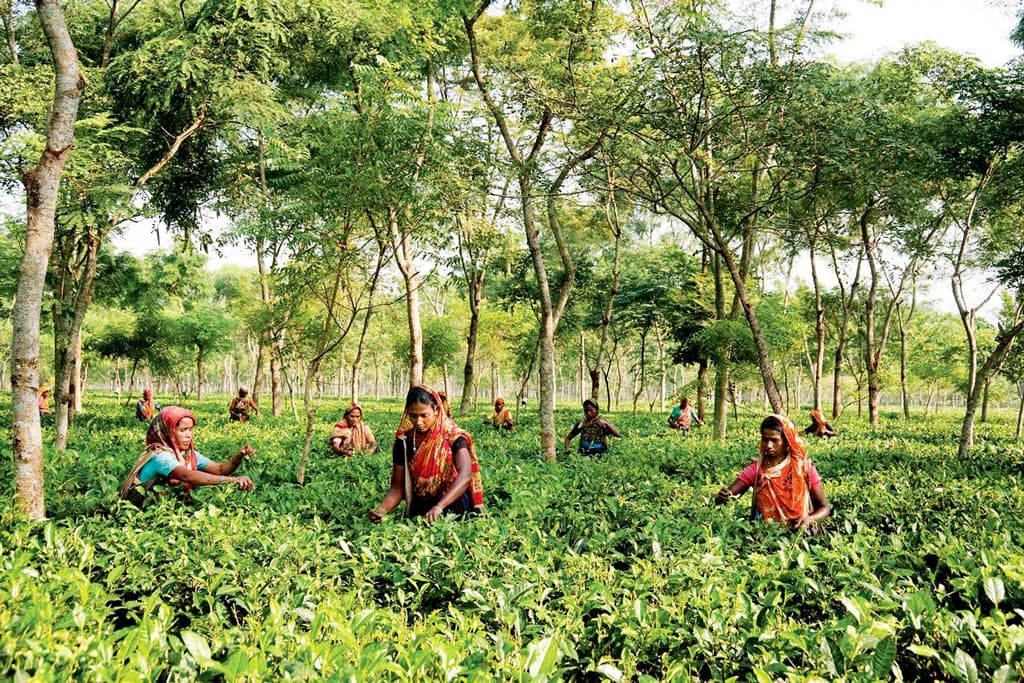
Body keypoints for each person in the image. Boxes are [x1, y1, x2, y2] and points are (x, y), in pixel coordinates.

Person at [370, 385, 484, 524]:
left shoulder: (453, 437)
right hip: (421, 508)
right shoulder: (404, 441)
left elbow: (465, 475)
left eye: (424, 415)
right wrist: (381, 510)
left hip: (454, 504)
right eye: (413, 415)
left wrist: (439, 506)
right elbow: (397, 488)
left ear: (436, 410)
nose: (418, 422)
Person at [119, 406, 255, 507]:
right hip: (143, 513)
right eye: (182, 430)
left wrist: (239, 456)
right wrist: (233, 480)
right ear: (168, 431)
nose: (188, 435)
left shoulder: (188, 455)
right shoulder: (160, 457)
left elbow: (220, 469)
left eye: (190, 429)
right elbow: (189, 476)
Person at [715, 414, 831, 532]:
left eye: (775, 440)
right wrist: (723, 497)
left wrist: (809, 519)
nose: (769, 445)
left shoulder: (803, 468)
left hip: (800, 535)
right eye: (765, 439)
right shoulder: (756, 469)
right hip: (764, 537)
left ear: (787, 441)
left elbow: (824, 508)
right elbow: (729, 495)